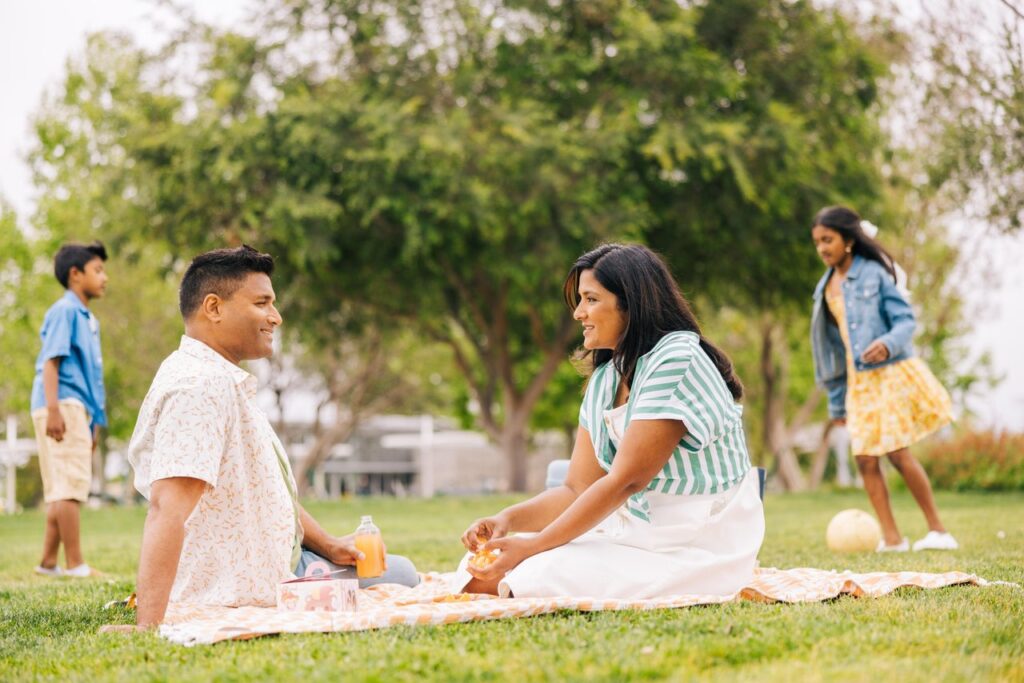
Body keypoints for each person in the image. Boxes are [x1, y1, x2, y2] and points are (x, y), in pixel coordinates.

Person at [125, 245, 417, 630]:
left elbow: (264, 492)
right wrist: (148, 625)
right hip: (255, 583)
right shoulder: (199, 387)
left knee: (395, 568)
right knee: (403, 573)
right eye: (262, 303)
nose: (275, 318)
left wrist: (328, 544)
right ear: (213, 308)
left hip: (280, 560)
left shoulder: (221, 379)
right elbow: (167, 508)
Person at [458, 243, 764, 599]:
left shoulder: (677, 358)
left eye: (590, 299)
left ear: (631, 305)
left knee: (516, 574)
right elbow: (577, 489)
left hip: (696, 542)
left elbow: (625, 481)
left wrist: (535, 546)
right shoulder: (607, 377)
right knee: (477, 569)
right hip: (638, 530)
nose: (578, 314)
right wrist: (508, 520)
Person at [810, 205, 957, 552]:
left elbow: (906, 320)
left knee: (895, 452)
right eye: (816, 242)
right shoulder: (824, 290)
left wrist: (887, 344)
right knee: (864, 458)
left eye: (827, 240)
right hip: (858, 383)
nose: (821, 249)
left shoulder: (874, 274)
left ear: (848, 239)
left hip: (888, 374)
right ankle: (892, 539)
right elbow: (832, 351)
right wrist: (836, 399)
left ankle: (938, 531)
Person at [30, 241, 109, 578]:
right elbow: (52, 362)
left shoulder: (87, 317)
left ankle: (48, 563)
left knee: (63, 485)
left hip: (77, 408)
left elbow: (92, 377)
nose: (105, 278)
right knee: (69, 488)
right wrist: (54, 411)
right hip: (61, 403)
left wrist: (95, 422)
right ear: (75, 275)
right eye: (98, 270)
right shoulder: (65, 311)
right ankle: (76, 564)